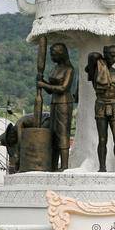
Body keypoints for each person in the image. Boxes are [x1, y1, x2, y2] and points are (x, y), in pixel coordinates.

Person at [85, 45, 115, 172]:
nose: (113, 58)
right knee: (102, 139)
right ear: (105, 54)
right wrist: (101, 59)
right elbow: (92, 56)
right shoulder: (97, 71)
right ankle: (102, 167)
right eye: (111, 55)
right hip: (101, 105)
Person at [37, 43, 74, 171]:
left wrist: (44, 85)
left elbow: (63, 88)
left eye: (53, 54)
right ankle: (53, 165)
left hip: (64, 103)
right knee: (53, 133)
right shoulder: (55, 68)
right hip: (54, 103)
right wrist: (42, 82)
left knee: (63, 133)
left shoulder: (69, 69)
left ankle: (64, 165)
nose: (51, 57)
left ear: (61, 54)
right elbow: (51, 91)